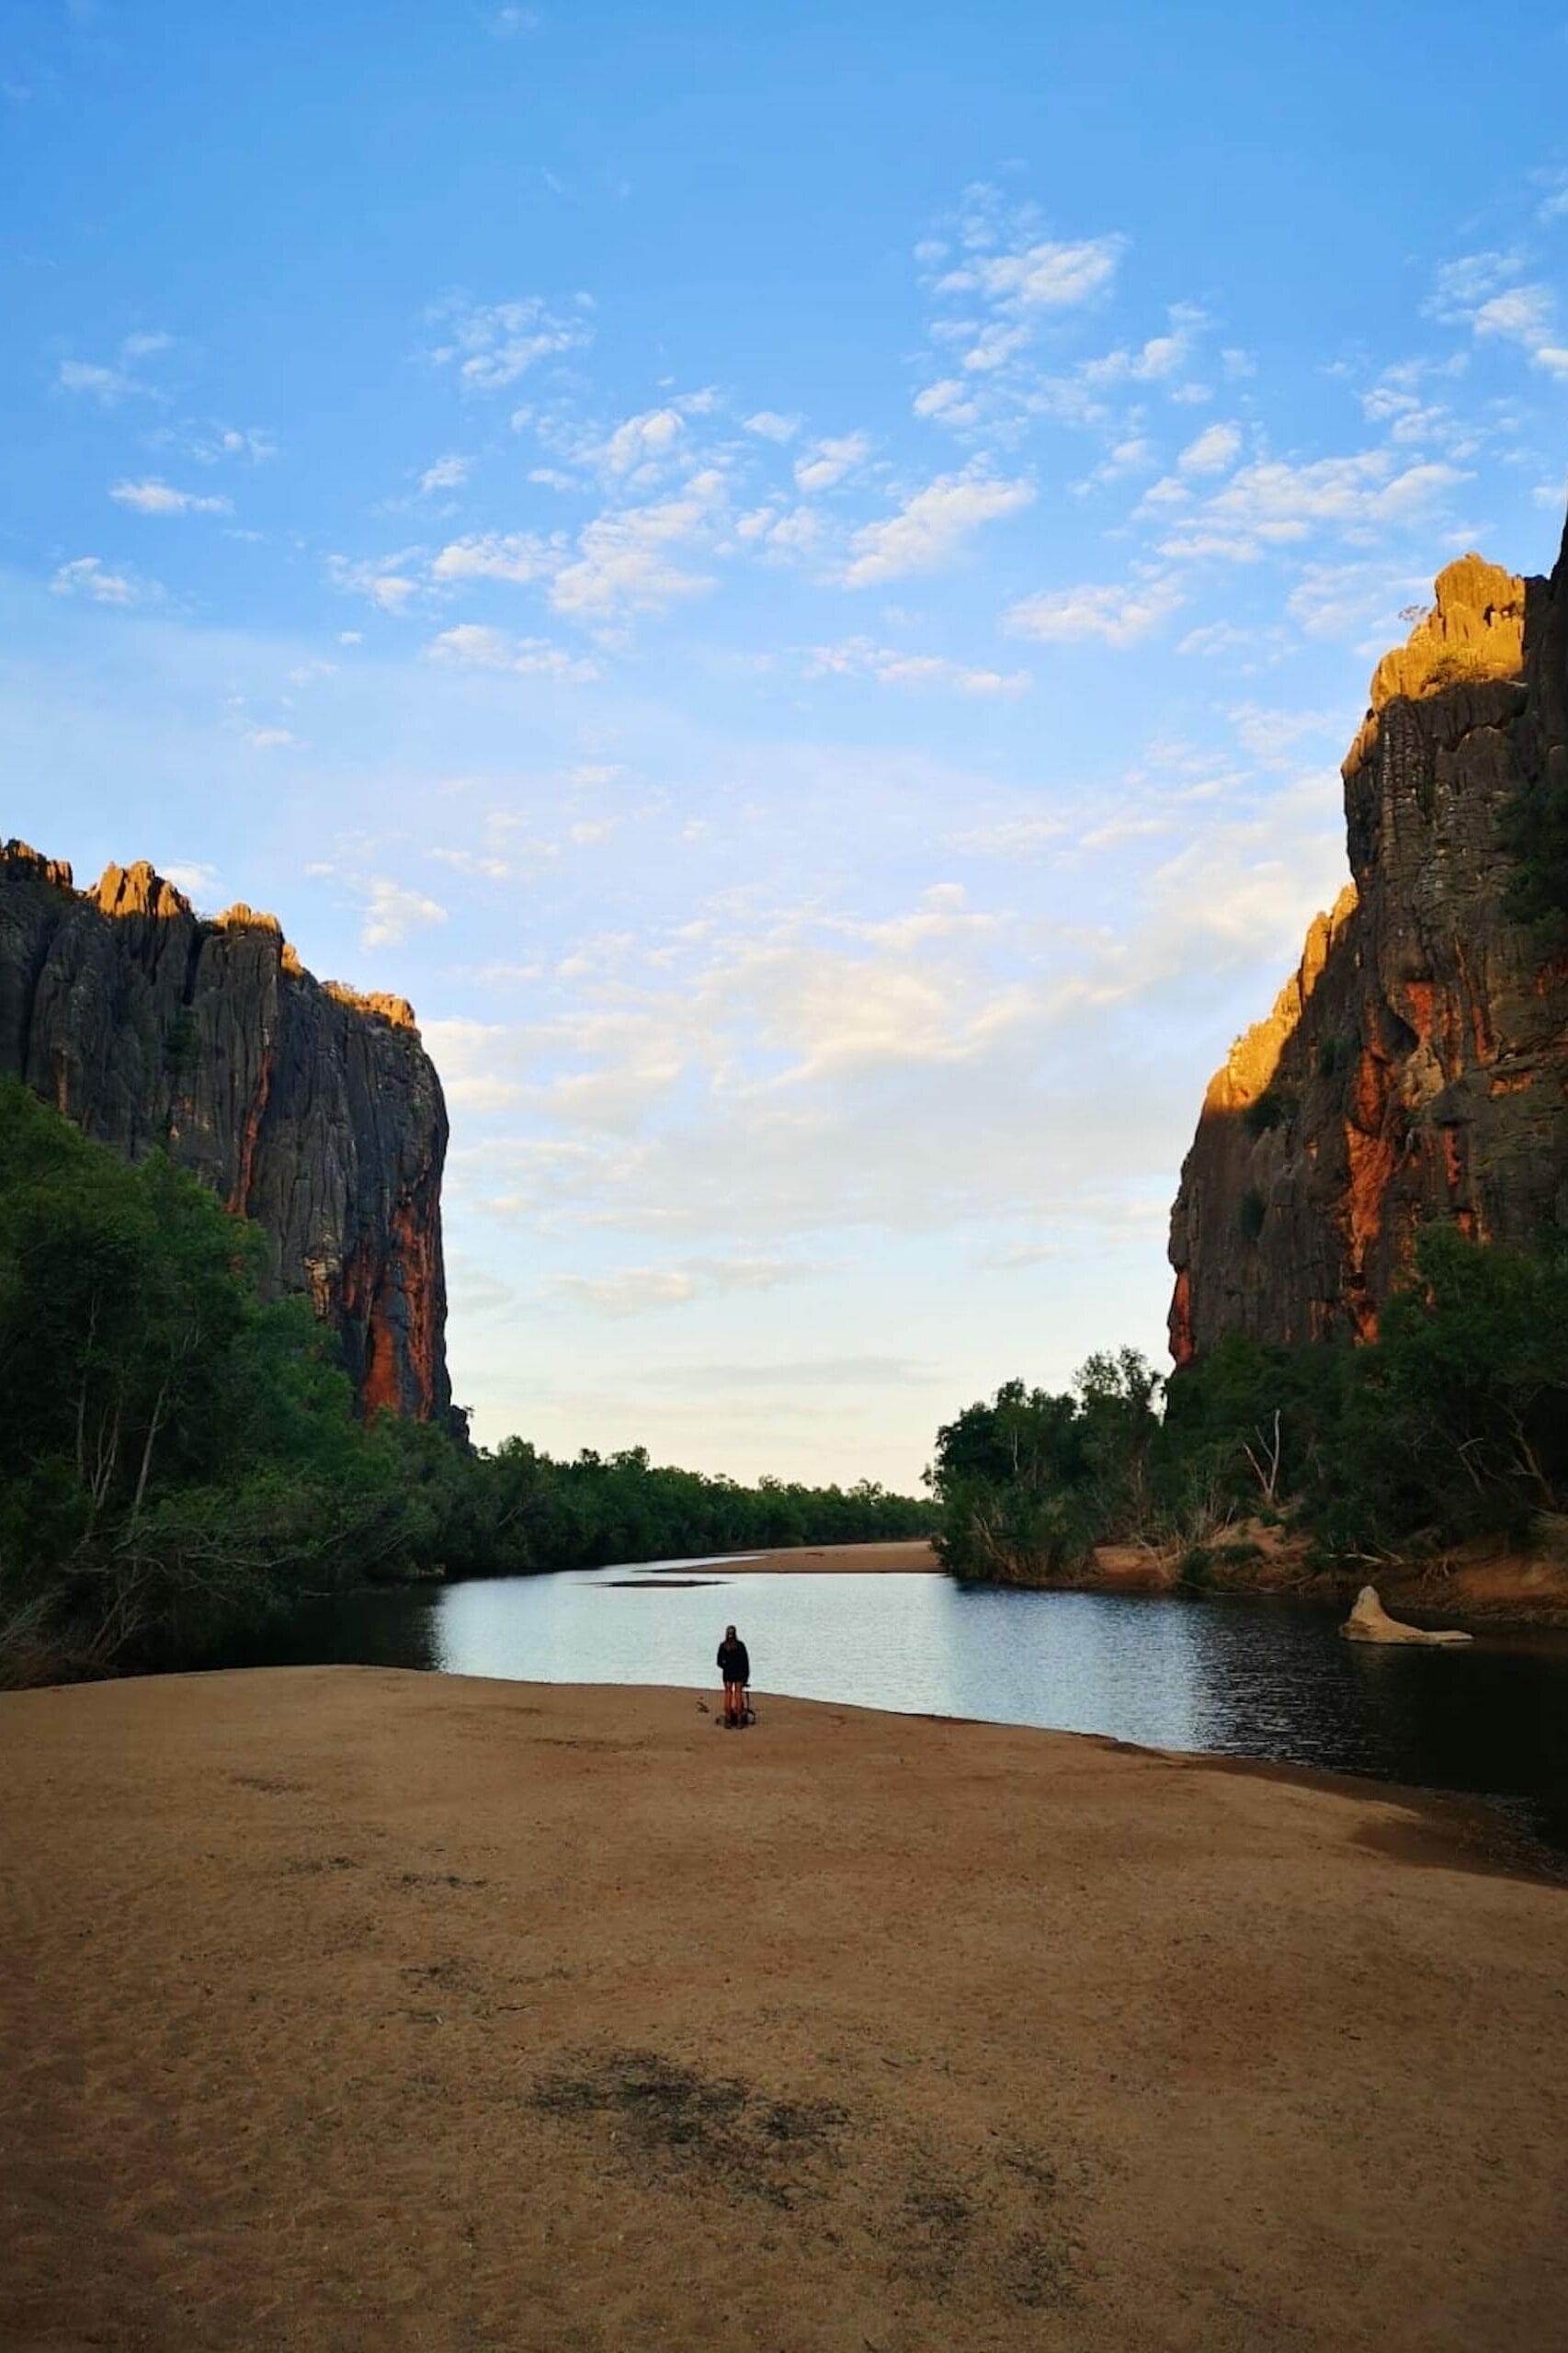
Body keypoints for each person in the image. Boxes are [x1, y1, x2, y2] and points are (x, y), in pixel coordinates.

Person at [716, 1624, 750, 1727]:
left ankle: (728, 1719)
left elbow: (719, 1662)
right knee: (738, 1694)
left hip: (728, 1673)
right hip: (739, 1672)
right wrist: (746, 1675)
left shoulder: (723, 1646)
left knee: (728, 1694)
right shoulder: (740, 1645)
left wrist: (726, 1666)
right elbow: (745, 1662)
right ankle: (739, 1720)